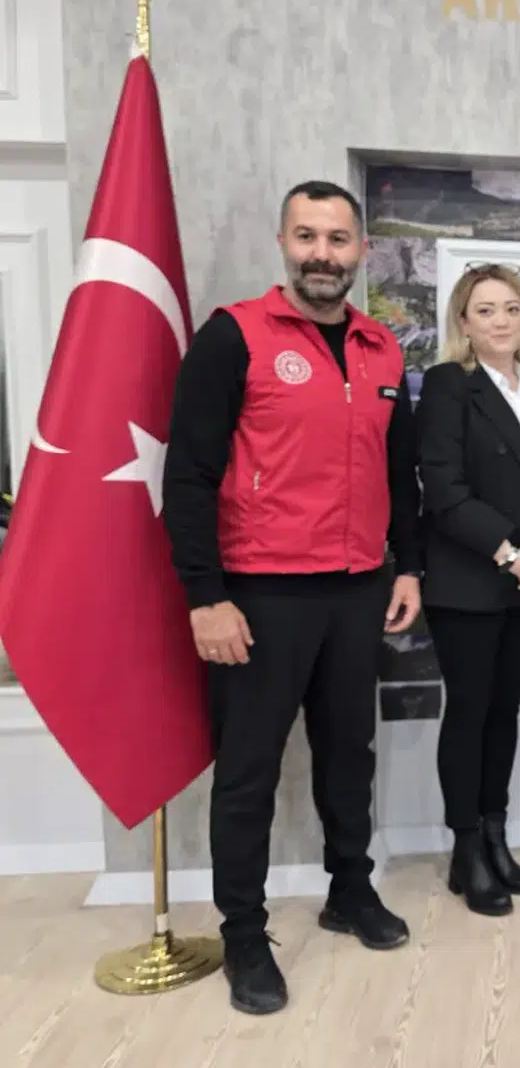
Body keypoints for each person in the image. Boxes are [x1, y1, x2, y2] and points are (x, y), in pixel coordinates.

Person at [162, 180, 422, 1016]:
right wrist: (205, 595)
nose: (323, 253)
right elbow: (188, 475)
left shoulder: (383, 347)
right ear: (283, 242)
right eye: (307, 235)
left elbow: (399, 473)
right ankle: (244, 934)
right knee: (248, 772)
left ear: (361, 251)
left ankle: (350, 889)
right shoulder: (233, 336)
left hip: (358, 588)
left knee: (350, 754)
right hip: (259, 593)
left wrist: (408, 566)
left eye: (338, 239)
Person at [416, 263, 520, 918]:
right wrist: (509, 554)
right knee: (470, 710)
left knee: (504, 710)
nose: (501, 320)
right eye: (485, 310)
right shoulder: (449, 385)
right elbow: (443, 489)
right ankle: (466, 850)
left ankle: (495, 835)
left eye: (511, 307)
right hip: (471, 579)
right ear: (463, 321)